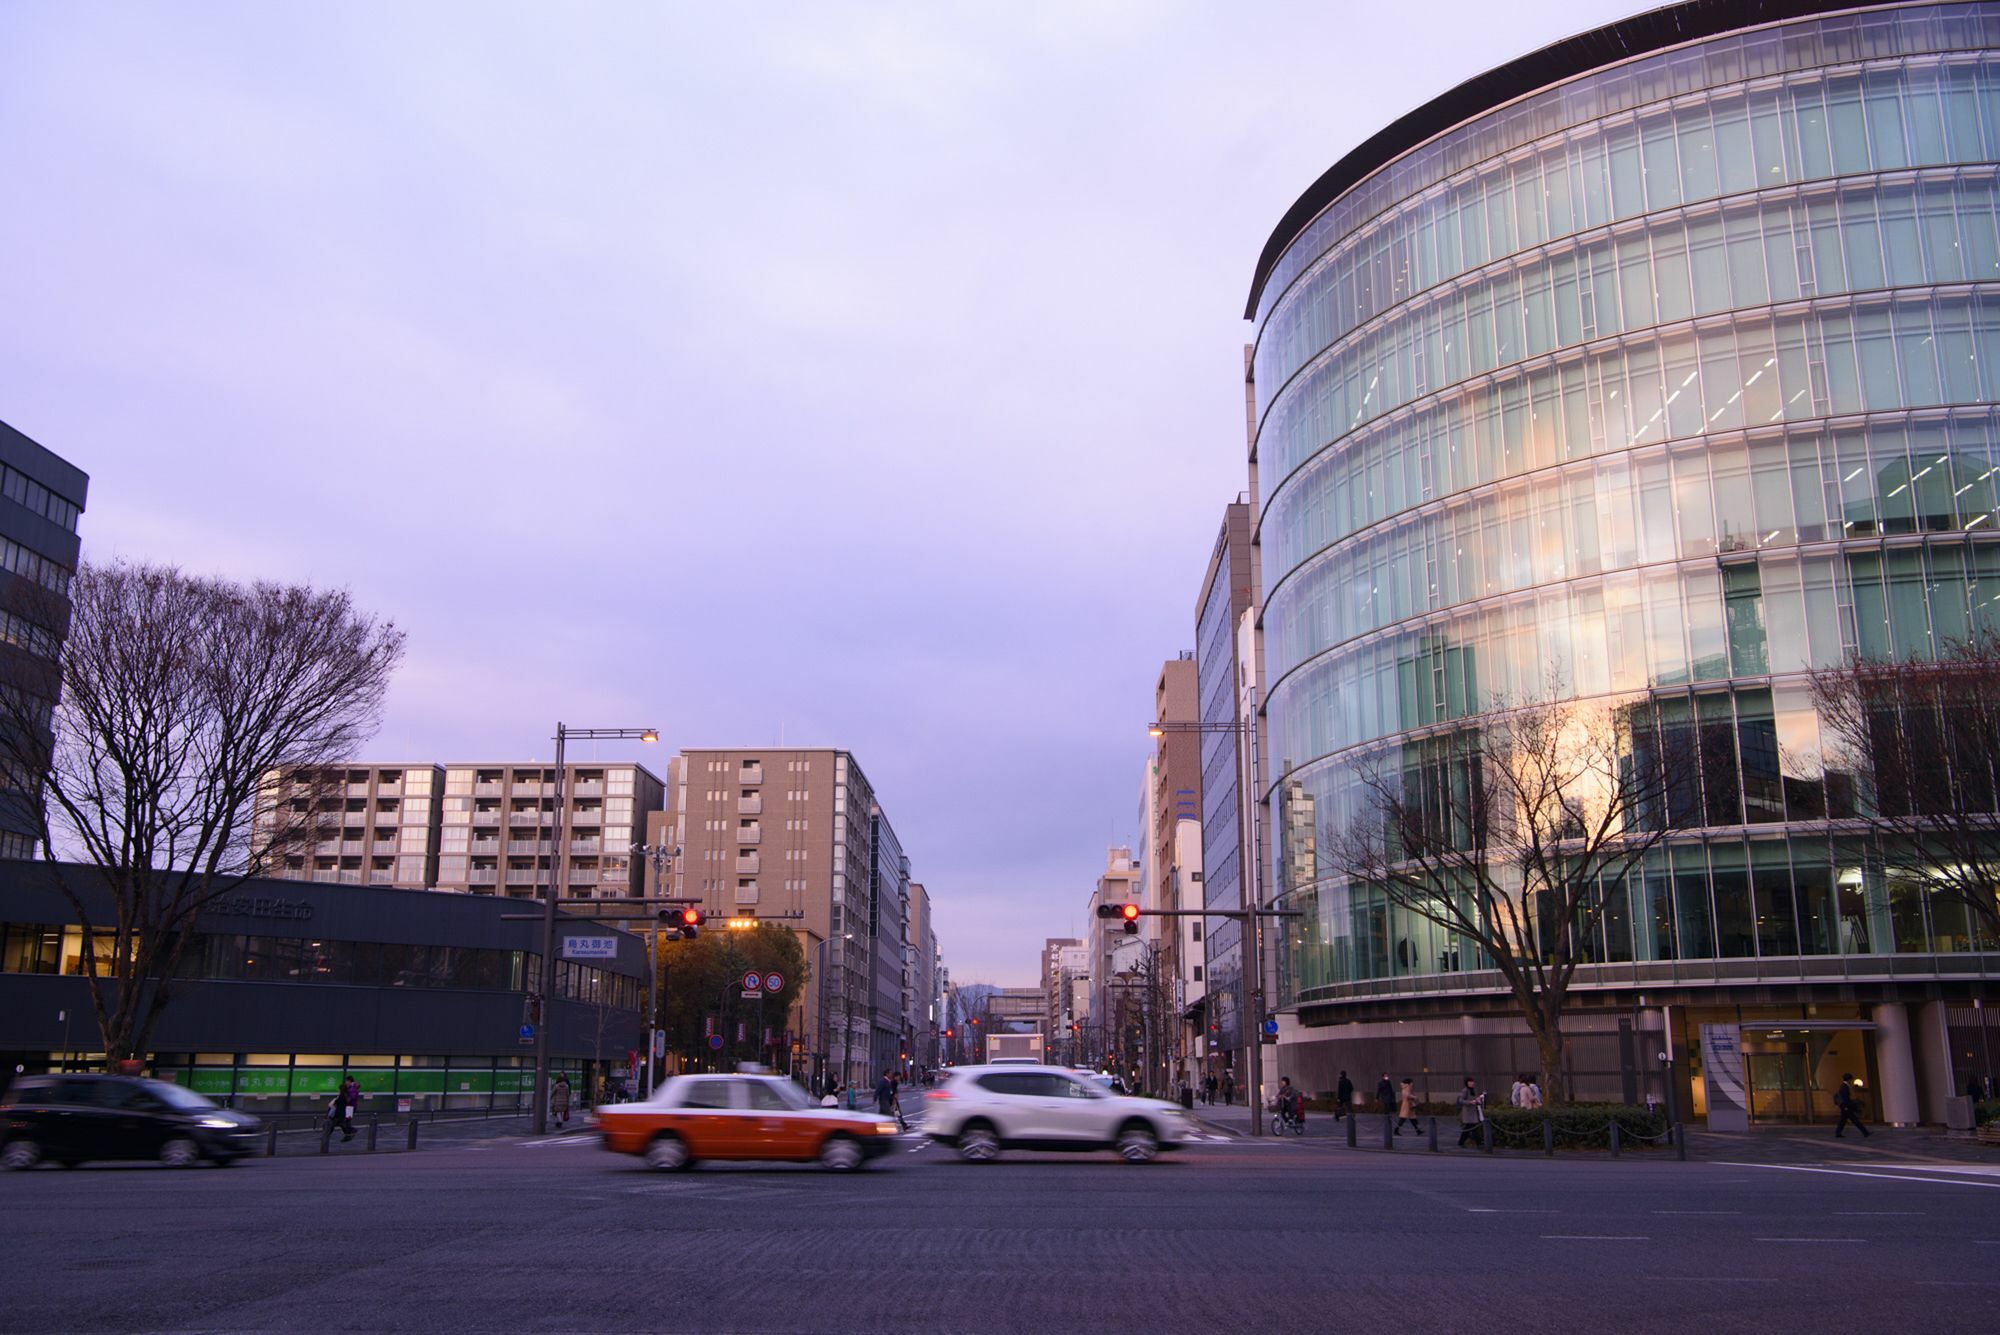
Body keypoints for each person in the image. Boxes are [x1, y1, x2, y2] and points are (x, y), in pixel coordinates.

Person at [1833, 1073, 1870, 1139]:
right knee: (1854, 1120)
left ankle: (1838, 1133)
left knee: (1844, 1120)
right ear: (1849, 1079)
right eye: (1851, 1079)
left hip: (1845, 1106)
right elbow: (1845, 1098)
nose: (1852, 1081)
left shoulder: (1844, 1086)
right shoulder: (1844, 1087)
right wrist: (1848, 1106)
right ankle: (1865, 1132)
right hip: (1846, 1107)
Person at [1456, 1078, 1486, 1147]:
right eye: (1470, 1082)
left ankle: (1462, 1142)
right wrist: (1469, 1102)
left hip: (1473, 1111)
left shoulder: (1473, 1090)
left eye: (1472, 1082)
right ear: (1467, 1083)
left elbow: (1474, 1098)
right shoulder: (1465, 1090)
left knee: (1469, 1128)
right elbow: (1461, 1100)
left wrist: (1478, 1100)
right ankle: (1477, 1142)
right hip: (1468, 1112)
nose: (1472, 1083)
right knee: (1471, 1127)